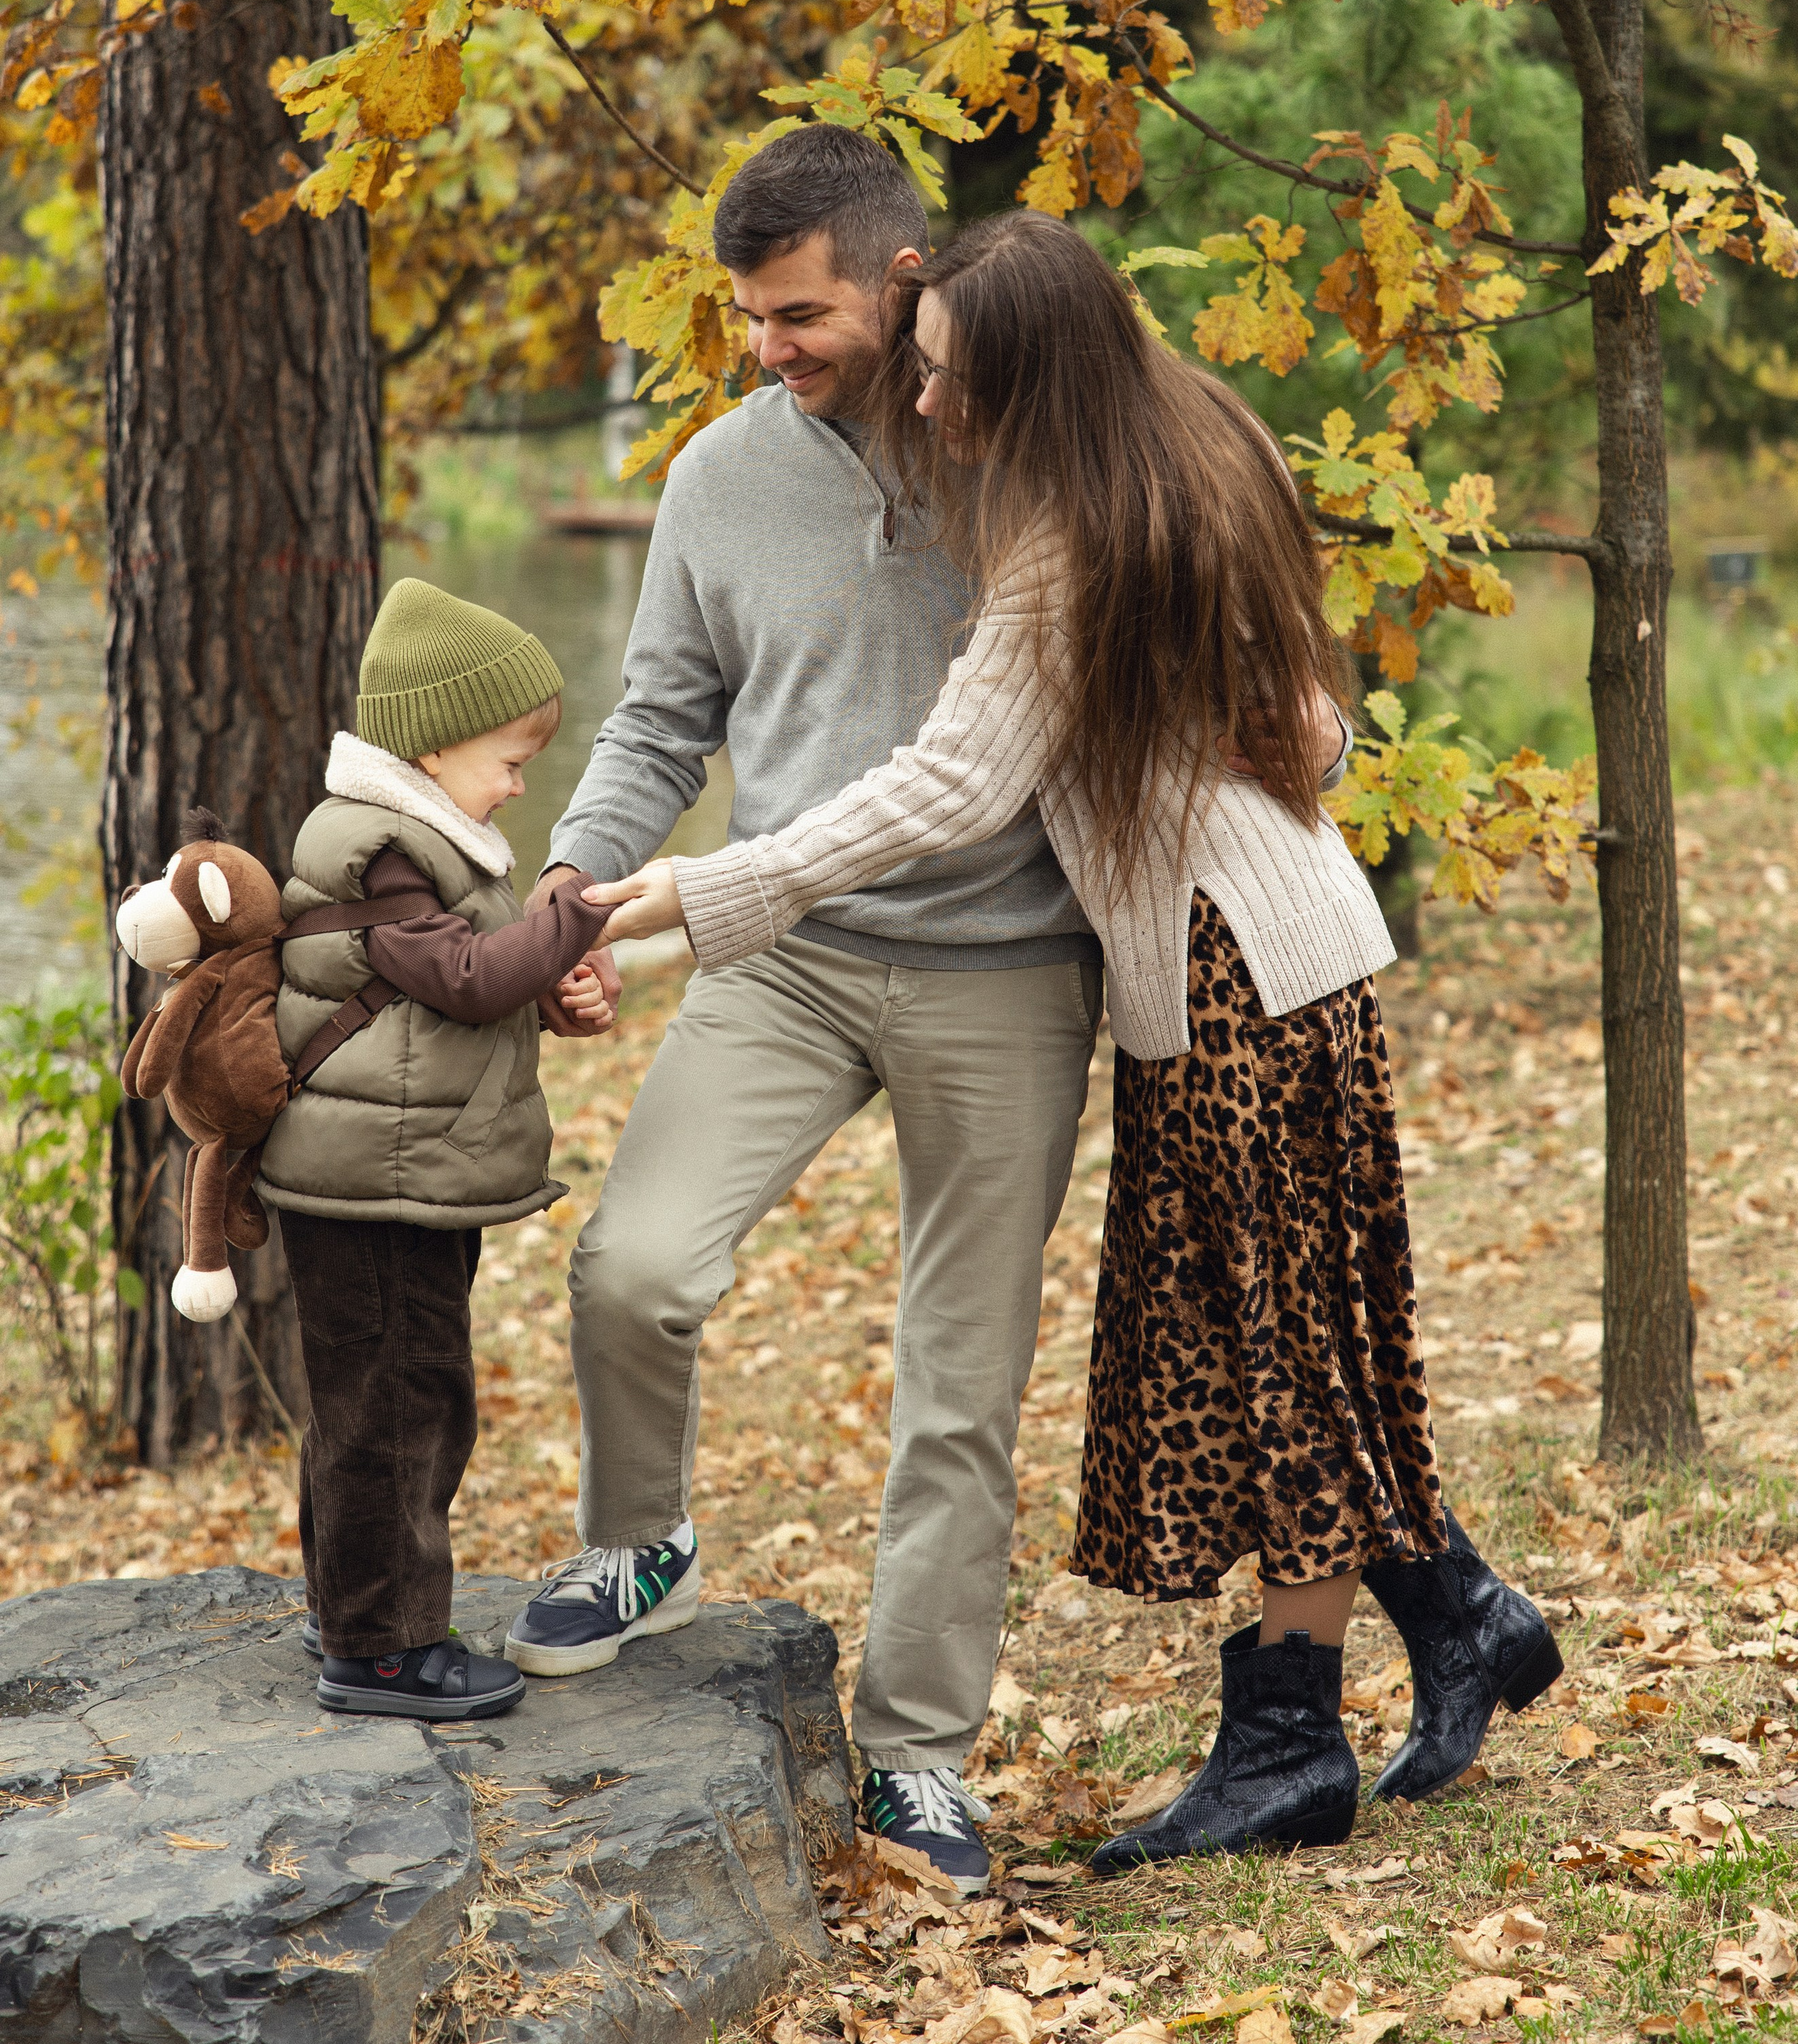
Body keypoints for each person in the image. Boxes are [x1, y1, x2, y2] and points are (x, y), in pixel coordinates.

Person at [590, 210, 1563, 1871]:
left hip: (1229, 965)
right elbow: (1317, 726)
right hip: (1276, 942)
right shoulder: (1196, 432)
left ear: (1027, 370)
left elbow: (957, 785)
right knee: (1278, 1339)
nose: (935, 405)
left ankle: (1291, 1741)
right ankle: (1455, 1614)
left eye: (953, 376)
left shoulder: (1062, 531)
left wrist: (701, 892)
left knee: (1260, 1353)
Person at [506, 126, 1107, 1894]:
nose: (768, 347)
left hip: (1007, 970)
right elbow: (657, 718)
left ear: (902, 277)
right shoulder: (714, 477)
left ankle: (917, 1755)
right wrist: (572, 886)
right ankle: (639, 1541)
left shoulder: (1018, 453)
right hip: (787, 954)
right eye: (750, 318)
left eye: (799, 315)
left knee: (956, 1389)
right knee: (632, 1266)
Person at [260, 578, 610, 1722]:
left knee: (383, 1398)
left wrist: (554, 986)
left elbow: (472, 977)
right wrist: (580, 909)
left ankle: (348, 1607)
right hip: (374, 1184)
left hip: (397, 1171)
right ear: (433, 744)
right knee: (400, 1403)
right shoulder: (380, 851)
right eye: (508, 758)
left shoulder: (431, 840)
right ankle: (385, 1648)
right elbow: (464, 980)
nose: (520, 781)